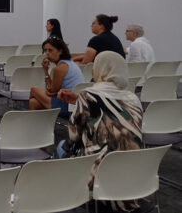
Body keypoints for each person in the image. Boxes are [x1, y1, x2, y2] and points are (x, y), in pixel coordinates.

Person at [58, 51, 143, 212]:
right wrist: (79, 101)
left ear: (99, 69)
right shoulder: (134, 99)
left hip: (98, 183)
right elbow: (112, 113)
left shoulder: (88, 95)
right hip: (132, 184)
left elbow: (73, 135)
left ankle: (68, 199)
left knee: (62, 147)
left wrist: (80, 104)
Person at [28, 38, 85, 116]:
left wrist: (50, 91)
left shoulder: (60, 68)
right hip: (76, 104)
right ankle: (40, 123)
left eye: (50, 50)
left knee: (34, 90)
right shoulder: (70, 63)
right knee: (33, 102)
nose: (47, 53)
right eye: (45, 50)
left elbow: (51, 91)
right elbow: (52, 90)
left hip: (67, 105)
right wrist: (46, 71)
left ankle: (33, 121)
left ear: (60, 51)